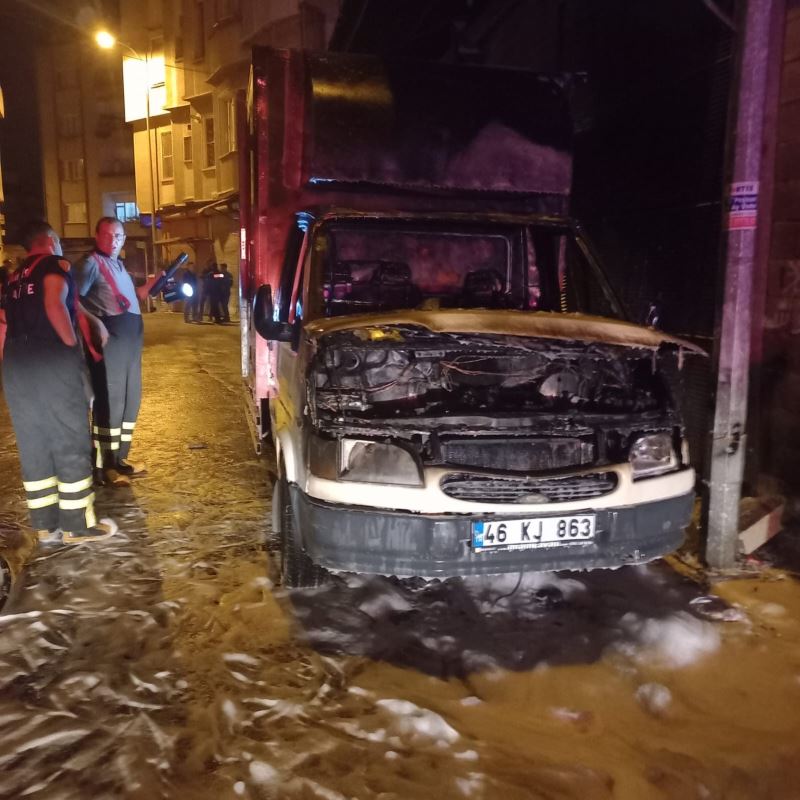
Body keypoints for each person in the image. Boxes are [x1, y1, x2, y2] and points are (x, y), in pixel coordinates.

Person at [1, 220, 117, 544]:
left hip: (16, 365)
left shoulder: (13, 277)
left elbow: (3, 325)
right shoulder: (55, 265)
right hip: (51, 360)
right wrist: (69, 346)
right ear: (51, 241)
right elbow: (54, 302)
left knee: (34, 443)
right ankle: (77, 525)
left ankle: (45, 526)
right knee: (69, 439)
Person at [73, 217, 161, 487]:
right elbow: (71, 300)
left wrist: (152, 285)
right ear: (96, 235)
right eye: (109, 235)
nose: (114, 241)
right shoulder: (89, 264)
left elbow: (132, 298)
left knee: (129, 401)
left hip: (131, 341)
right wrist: (95, 322)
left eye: (119, 236)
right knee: (109, 403)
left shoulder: (118, 265)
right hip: (110, 341)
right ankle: (103, 468)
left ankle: (119, 459)